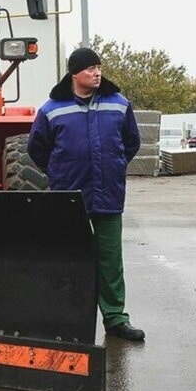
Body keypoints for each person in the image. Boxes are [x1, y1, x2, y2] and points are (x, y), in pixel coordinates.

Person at [28, 47, 144, 342]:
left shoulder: (118, 104)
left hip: (108, 195)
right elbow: (37, 149)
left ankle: (116, 319)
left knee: (110, 260)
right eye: (90, 69)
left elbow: (131, 143)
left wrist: (113, 166)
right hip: (70, 198)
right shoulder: (51, 109)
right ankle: (65, 319)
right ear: (74, 74)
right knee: (69, 257)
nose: (97, 73)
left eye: (98, 67)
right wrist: (59, 173)